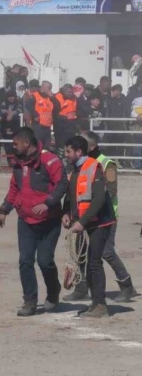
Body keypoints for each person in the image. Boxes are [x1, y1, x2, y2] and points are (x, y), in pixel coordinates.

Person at [0, 128, 68, 317]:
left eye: (15, 144)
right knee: (25, 261)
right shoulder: (18, 164)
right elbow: (14, 188)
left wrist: (48, 203)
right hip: (26, 220)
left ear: (26, 143)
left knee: (45, 261)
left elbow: (62, 184)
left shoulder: (50, 160)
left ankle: (53, 292)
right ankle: (30, 301)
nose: (13, 147)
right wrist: (4, 210)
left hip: (49, 221)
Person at [63, 132, 138, 303]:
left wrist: (91, 214)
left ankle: (127, 286)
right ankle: (81, 288)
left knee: (106, 252)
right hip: (84, 218)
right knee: (81, 252)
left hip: (104, 218)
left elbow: (110, 192)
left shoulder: (106, 164)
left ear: (88, 147)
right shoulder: (79, 166)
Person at [62, 135, 117, 319]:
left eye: (68, 151)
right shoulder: (74, 171)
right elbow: (70, 197)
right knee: (88, 265)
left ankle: (100, 305)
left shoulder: (94, 167)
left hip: (101, 222)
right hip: (87, 223)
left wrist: (81, 222)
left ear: (79, 152)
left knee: (94, 263)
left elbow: (99, 199)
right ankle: (95, 303)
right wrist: (66, 214)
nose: (66, 155)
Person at [25, 80, 59, 150]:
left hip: (48, 125)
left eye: (50, 88)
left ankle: (44, 159)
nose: (50, 90)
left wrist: (53, 98)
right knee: (38, 145)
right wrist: (35, 115)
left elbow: (58, 107)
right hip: (38, 125)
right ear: (43, 87)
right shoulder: (35, 96)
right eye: (49, 88)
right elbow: (28, 105)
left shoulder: (50, 97)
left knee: (46, 147)